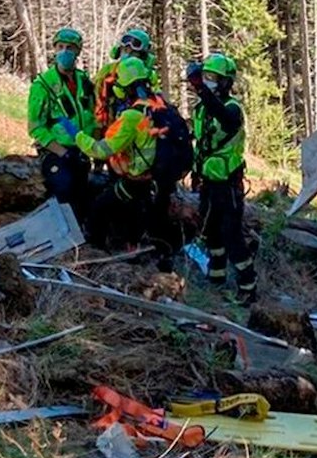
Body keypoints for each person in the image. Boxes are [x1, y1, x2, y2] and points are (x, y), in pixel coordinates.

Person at [83, 55, 188, 254]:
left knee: (100, 207)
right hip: (160, 179)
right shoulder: (160, 105)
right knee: (147, 218)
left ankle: (96, 253)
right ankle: (154, 253)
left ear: (124, 87)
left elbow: (102, 149)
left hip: (138, 180)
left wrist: (78, 136)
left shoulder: (132, 116)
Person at [188, 52, 255, 303]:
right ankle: (216, 276)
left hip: (228, 185)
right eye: (205, 77)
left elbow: (226, 122)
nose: (208, 82)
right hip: (209, 181)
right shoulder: (201, 110)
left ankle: (248, 286)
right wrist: (195, 172)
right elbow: (202, 144)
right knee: (210, 231)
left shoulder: (231, 108)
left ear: (226, 82)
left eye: (213, 78)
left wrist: (202, 90)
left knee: (232, 234)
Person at [27, 26, 100, 208]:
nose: (64, 52)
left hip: (82, 152)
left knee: (82, 199)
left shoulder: (84, 81)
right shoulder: (43, 84)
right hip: (56, 152)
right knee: (63, 192)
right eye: (60, 47)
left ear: (77, 51)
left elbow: (93, 117)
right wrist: (63, 152)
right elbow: (36, 127)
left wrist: (98, 152)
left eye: (70, 47)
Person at [91, 27, 154, 129]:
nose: (128, 55)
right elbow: (96, 95)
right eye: (125, 50)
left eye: (133, 52)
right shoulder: (108, 70)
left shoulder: (148, 75)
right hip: (111, 124)